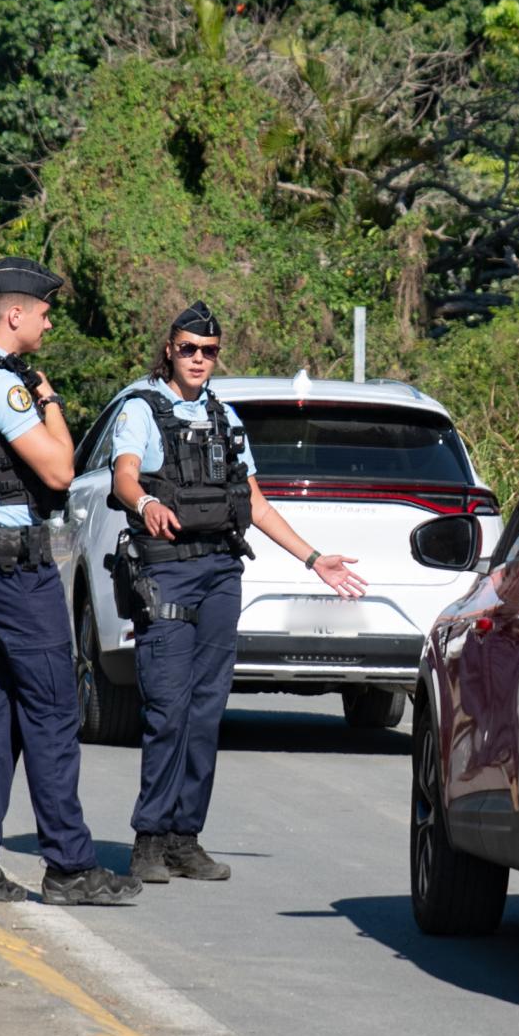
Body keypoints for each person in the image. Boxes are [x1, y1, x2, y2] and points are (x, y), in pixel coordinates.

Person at [108, 302, 367, 884]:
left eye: (209, 351)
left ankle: (184, 837)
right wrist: (145, 502)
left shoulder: (226, 419)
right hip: (166, 571)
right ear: (169, 349)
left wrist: (313, 559)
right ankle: (148, 839)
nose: (198, 359)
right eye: (188, 349)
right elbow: (125, 473)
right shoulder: (142, 408)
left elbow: (255, 503)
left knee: (206, 712)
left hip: (222, 572)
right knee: (168, 710)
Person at [0, 260, 139, 907]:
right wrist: (46, 397)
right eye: (42, 312)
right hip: (16, 567)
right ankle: (69, 866)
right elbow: (61, 470)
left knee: (0, 705)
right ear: (13, 315)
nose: (47, 321)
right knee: (52, 707)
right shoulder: (1, 388)